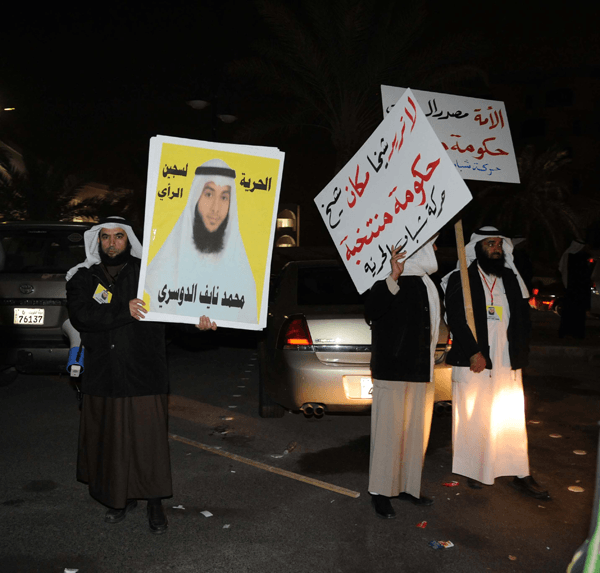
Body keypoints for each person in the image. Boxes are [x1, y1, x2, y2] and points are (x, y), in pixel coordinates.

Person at [66, 216, 217, 534]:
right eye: (105, 237)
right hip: (103, 375)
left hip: (143, 372)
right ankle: (118, 499)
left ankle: (154, 503)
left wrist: (198, 324)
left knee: (148, 443)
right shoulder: (82, 277)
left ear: (129, 240)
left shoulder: (152, 274)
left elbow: (176, 312)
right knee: (110, 442)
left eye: (118, 236)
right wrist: (125, 310)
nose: (111, 243)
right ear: (97, 241)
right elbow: (83, 316)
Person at [442, 226, 550, 499]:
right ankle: (475, 469)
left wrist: (520, 353)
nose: (496, 249)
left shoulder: (510, 278)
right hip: (475, 358)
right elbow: (456, 319)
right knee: (475, 415)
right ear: (478, 247)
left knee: (509, 416)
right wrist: (473, 352)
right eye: (490, 244)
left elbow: (523, 320)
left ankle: (519, 471)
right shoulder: (461, 278)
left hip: (506, 357)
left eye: (499, 244)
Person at [365, 237, 440, 519]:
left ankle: (408, 487)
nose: (436, 250)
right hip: (393, 370)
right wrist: (393, 277)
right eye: (432, 244)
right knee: (388, 436)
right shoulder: (387, 278)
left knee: (415, 434)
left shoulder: (426, 283)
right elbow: (371, 311)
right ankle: (381, 493)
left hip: (421, 370)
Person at [144, 158, 257, 325]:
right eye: (209, 194)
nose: (215, 209)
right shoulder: (162, 269)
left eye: (224, 197)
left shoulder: (243, 277)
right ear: (196, 197)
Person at [558, 240, 592, 339]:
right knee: (576, 313)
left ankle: (570, 333)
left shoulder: (571, 257)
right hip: (576, 290)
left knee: (571, 313)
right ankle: (575, 333)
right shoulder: (576, 258)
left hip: (572, 290)